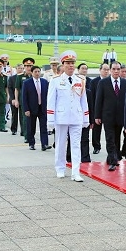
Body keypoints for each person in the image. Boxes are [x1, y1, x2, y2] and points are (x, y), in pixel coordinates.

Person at [47, 50, 89, 182]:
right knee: (60, 144)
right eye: (68, 63)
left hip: (76, 116)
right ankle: (60, 168)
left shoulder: (80, 80)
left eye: (72, 63)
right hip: (61, 116)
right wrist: (50, 119)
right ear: (63, 65)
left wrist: (86, 118)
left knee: (76, 144)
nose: (71, 66)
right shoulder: (56, 81)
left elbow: (83, 100)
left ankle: (76, 172)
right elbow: (51, 100)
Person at [94, 61, 126, 171]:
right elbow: (98, 100)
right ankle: (113, 161)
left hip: (121, 116)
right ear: (110, 70)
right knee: (110, 138)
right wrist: (97, 115)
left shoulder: (125, 83)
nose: (116, 71)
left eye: (118, 69)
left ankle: (114, 157)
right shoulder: (103, 83)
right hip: (107, 115)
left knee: (117, 138)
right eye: (114, 69)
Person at [22, 65, 51, 151]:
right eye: (35, 72)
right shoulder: (27, 83)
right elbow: (24, 97)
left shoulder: (44, 82)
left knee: (43, 127)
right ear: (32, 73)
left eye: (39, 71)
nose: (37, 73)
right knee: (31, 127)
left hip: (42, 108)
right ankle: (31, 143)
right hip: (31, 108)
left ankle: (44, 144)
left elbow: (48, 95)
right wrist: (26, 109)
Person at [90, 63, 110, 154]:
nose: (106, 71)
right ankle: (96, 146)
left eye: (107, 70)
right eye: (104, 69)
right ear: (100, 70)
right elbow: (92, 97)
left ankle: (110, 148)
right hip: (97, 109)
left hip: (107, 110)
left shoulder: (111, 81)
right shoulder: (94, 82)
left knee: (109, 131)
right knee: (96, 130)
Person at [15, 58, 34, 142]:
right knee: (25, 119)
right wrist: (16, 100)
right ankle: (26, 136)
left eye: (30, 66)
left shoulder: (35, 75)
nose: (28, 68)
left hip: (34, 100)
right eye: (26, 66)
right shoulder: (20, 77)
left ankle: (31, 135)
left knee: (33, 119)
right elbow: (17, 89)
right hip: (24, 100)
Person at [8, 64, 23, 135]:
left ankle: (23, 130)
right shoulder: (12, 78)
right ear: (16, 69)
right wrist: (13, 98)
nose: (21, 70)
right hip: (14, 99)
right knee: (14, 114)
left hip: (22, 99)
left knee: (22, 116)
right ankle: (14, 129)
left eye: (22, 68)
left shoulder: (24, 77)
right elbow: (10, 89)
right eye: (19, 68)